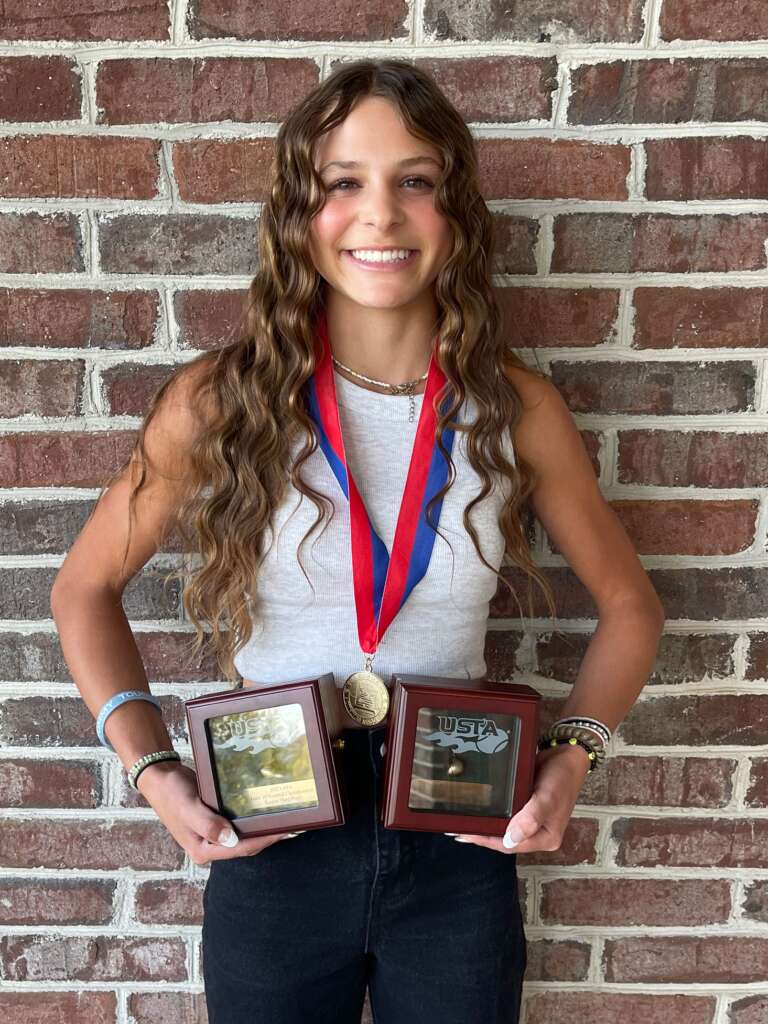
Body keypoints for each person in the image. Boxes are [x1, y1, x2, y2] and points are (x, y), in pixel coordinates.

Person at [51, 58, 666, 1024]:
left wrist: (571, 760)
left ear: (453, 211)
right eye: (343, 183)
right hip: (274, 821)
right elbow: (82, 590)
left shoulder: (515, 408)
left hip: (457, 831)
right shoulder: (221, 399)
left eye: (414, 182)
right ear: (300, 213)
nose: (380, 214)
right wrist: (153, 773)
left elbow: (632, 607)